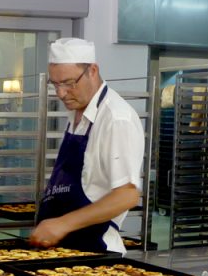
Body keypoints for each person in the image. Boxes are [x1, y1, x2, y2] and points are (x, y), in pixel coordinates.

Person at [30, 38, 144, 255]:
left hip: (95, 252)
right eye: (55, 84)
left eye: (68, 83)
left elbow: (127, 195)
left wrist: (62, 224)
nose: (60, 93)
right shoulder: (77, 112)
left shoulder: (116, 118)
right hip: (65, 249)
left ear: (92, 70)